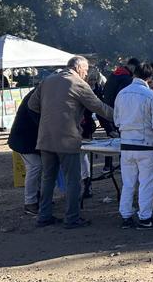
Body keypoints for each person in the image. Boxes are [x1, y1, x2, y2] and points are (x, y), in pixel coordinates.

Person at [27, 56, 114, 229]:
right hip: (67, 138)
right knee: (72, 179)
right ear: (79, 68)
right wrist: (123, 116)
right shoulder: (78, 83)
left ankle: (44, 216)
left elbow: (32, 104)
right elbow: (99, 108)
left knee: (47, 178)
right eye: (86, 70)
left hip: (45, 137)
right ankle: (72, 217)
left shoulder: (47, 80)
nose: (87, 73)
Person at [114, 62, 153, 230]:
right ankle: (145, 218)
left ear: (134, 74)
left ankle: (126, 216)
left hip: (126, 145)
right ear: (150, 77)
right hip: (147, 145)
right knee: (147, 183)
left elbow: (116, 120)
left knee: (128, 183)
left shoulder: (121, 94)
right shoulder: (152, 96)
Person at [8, 88, 42, 215]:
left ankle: (36, 198)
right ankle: (30, 202)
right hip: (25, 140)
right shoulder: (38, 96)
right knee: (35, 167)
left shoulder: (38, 93)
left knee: (38, 167)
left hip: (29, 139)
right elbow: (39, 120)